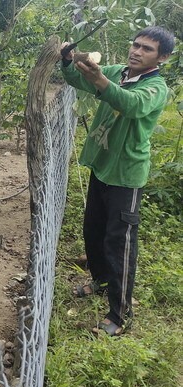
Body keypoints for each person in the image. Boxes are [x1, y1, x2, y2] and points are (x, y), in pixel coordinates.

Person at [60, 26, 176, 336]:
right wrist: (69, 62)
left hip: (126, 176)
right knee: (93, 230)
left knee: (119, 244)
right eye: (136, 44)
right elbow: (77, 80)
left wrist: (99, 78)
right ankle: (100, 281)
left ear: (162, 57)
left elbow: (130, 104)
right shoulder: (119, 72)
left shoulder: (155, 87)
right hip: (103, 167)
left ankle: (120, 315)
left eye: (146, 49)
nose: (136, 51)